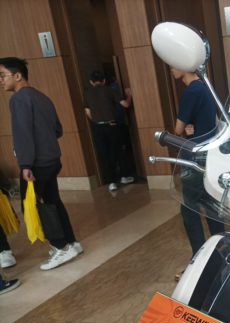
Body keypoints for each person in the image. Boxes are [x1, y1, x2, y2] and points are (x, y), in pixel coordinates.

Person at [0, 57, 82, 270]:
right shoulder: (42, 97)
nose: (1, 81)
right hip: (52, 159)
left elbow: (23, 134)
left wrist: (25, 164)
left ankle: (60, 247)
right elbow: (58, 130)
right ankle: (72, 242)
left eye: (3, 76)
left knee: (35, 206)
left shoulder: (18, 100)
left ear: (18, 76)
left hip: (35, 164)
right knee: (53, 200)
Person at [171, 67, 224, 254]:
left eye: (173, 64)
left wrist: (186, 127)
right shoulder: (204, 87)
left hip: (196, 156)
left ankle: (199, 255)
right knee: (211, 206)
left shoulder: (192, 91)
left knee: (189, 210)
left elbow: (178, 129)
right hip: (209, 154)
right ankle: (221, 250)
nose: (171, 69)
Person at [84, 70, 134, 192]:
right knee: (118, 151)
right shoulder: (109, 90)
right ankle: (124, 176)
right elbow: (125, 105)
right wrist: (129, 95)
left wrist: (97, 121)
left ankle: (111, 183)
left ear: (91, 82)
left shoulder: (87, 93)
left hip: (98, 127)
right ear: (104, 81)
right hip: (111, 125)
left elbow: (88, 112)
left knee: (104, 154)